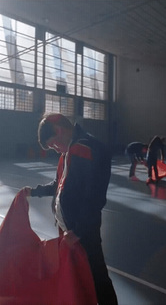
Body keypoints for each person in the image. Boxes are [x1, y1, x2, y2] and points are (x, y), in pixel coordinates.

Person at [23, 113, 118, 305]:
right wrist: (33, 192)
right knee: (82, 276)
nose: (56, 150)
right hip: (71, 230)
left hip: (81, 232)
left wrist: (78, 231)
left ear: (59, 131)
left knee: (97, 277)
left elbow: (93, 197)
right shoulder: (70, 151)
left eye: (54, 144)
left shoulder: (82, 149)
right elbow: (60, 185)